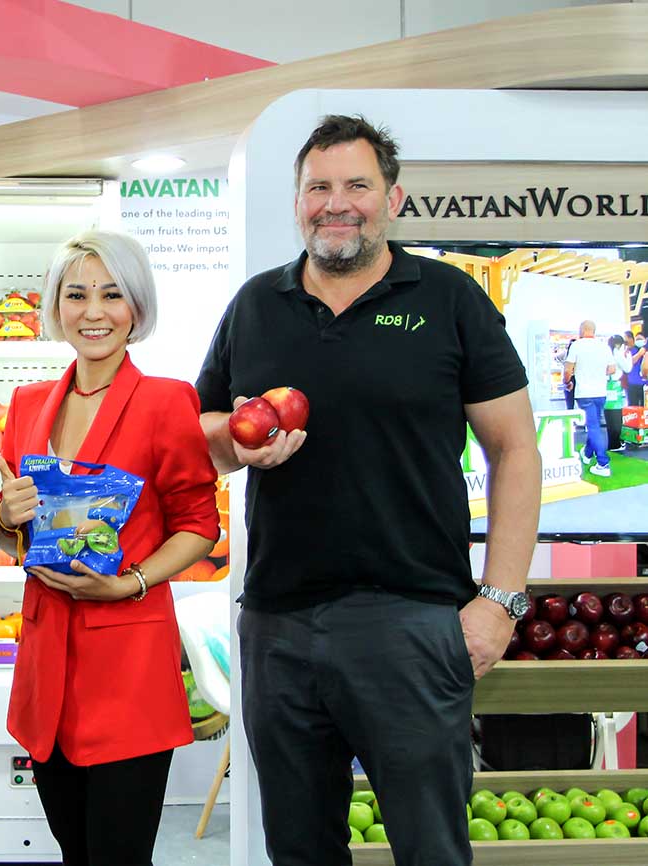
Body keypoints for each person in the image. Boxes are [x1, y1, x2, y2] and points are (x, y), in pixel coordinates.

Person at [196, 115, 541, 866]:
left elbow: (515, 449)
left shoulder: (449, 299)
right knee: (299, 850)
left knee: (430, 850)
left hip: (411, 620)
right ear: (297, 201)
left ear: (393, 198)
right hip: (278, 623)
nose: (336, 203)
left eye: (356, 185)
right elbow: (205, 434)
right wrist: (238, 441)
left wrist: (499, 602)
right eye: (317, 187)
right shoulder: (256, 305)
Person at [0, 230, 219, 866]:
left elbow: (199, 524)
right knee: (73, 850)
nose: (94, 311)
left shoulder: (166, 401)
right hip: (46, 667)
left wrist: (130, 581)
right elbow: (15, 535)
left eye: (112, 294)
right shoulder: (28, 404)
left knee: (120, 855)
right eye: (77, 294)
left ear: (136, 306)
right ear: (55, 306)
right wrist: (5, 519)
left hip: (128, 668)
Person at [565, 320, 619, 476]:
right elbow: (612, 369)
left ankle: (603, 463)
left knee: (593, 426)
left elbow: (567, 370)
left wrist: (567, 382)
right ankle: (587, 453)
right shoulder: (603, 346)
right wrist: (598, 372)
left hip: (584, 393)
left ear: (582, 330)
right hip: (600, 392)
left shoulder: (576, 345)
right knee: (594, 424)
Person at [606, 335, 632, 451]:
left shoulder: (606, 353)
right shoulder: (617, 354)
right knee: (616, 414)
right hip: (616, 386)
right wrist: (629, 356)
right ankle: (616, 443)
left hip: (606, 386)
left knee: (609, 414)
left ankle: (612, 442)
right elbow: (628, 368)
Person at [627, 330, 647, 408]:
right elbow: (629, 362)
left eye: (640, 339)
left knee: (644, 407)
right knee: (633, 407)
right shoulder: (631, 350)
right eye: (637, 339)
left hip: (645, 385)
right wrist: (639, 354)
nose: (639, 341)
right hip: (633, 384)